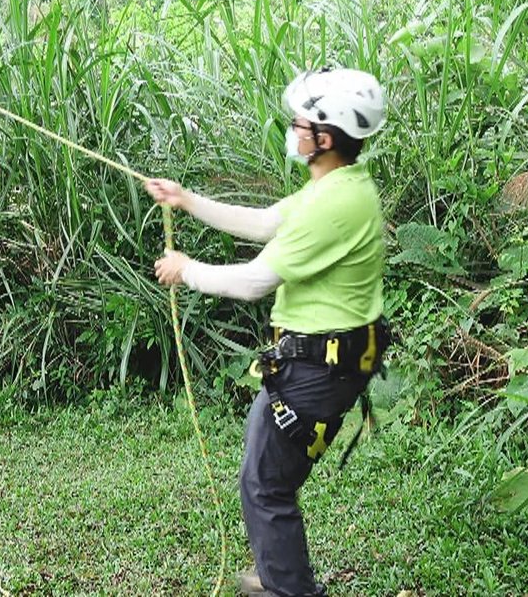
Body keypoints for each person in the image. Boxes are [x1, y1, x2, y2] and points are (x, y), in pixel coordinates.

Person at [146, 67, 391, 597]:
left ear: (325, 138)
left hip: (316, 369)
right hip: (319, 361)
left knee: (265, 486)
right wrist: (187, 200)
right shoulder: (339, 184)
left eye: (301, 123)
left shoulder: (333, 204)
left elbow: (257, 280)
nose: (293, 130)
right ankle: (281, 575)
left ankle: (286, 587)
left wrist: (185, 270)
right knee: (268, 481)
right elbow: (264, 223)